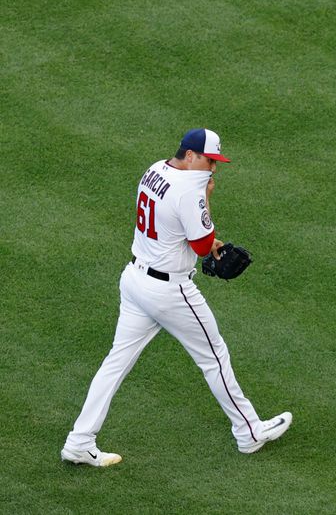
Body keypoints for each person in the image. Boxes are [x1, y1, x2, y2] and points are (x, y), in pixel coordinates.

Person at [61, 128, 292, 467]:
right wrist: (207, 200)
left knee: (116, 363)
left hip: (135, 279)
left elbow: (169, 226)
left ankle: (79, 441)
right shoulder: (191, 188)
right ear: (189, 156)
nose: (213, 169)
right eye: (209, 161)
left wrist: (205, 234)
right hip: (170, 291)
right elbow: (199, 245)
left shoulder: (155, 169)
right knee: (214, 357)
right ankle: (250, 432)